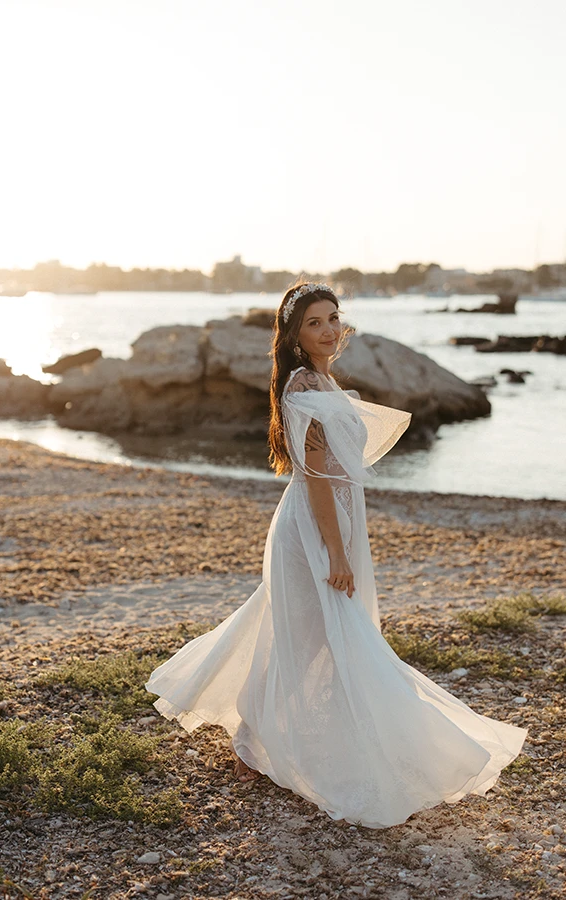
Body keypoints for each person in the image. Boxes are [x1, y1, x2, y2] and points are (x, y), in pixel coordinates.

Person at [146, 281, 528, 829]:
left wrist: (345, 538)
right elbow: (318, 476)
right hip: (311, 530)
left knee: (305, 631)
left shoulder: (319, 379)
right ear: (296, 336)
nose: (328, 330)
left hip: (330, 524)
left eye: (332, 318)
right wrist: (336, 551)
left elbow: (336, 469)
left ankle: (258, 733)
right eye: (314, 323)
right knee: (328, 635)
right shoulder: (303, 385)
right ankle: (277, 739)